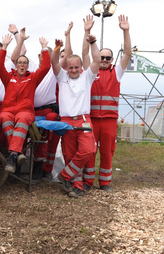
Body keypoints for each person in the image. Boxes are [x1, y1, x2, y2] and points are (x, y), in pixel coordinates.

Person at [82, 15, 132, 193]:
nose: (103, 60)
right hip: (92, 119)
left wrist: (125, 31)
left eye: (107, 58)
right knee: (89, 151)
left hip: (110, 121)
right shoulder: (91, 71)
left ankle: (105, 183)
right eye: (101, 57)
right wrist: (86, 32)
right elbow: (84, 54)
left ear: (112, 60)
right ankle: (87, 181)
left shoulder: (116, 73)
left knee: (107, 152)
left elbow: (127, 53)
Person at [51, 28, 101, 198]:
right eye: (70, 67)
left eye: (76, 67)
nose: (73, 70)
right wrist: (57, 49)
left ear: (81, 68)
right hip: (66, 121)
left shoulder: (87, 77)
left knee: (88, 149)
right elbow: (54, 62)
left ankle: (65, 175)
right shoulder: (61, 76)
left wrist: (93, 42)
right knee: (70, 155)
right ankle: (76, 186)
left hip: (83, 120)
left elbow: (97, 59)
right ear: (67, 67)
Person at [0, 28, 50, 173]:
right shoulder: (8, 77)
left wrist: (44, 48)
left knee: (22, 120)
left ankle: (13, 155)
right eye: (19, 62)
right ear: (16, 65)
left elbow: (45, 67)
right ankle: (17, 153)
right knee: (4, 118)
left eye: (24, 63)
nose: (21, 65)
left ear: (27, 66)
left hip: (25, 112)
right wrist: (5, 47)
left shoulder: (32, 78)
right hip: (8, 110)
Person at [33, 22, 73, 181]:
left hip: (50, 111)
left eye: (48, 56)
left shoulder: (53, 70)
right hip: (31, 110)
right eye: (42, 55)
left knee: (47, 141)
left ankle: (44, 169)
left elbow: (67, 54)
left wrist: (67, 35)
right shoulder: (30, 68)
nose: (44, 58)